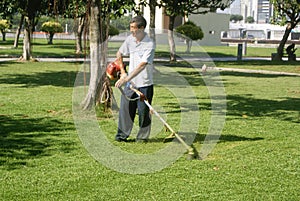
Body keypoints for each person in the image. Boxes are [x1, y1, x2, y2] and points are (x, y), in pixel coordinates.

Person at [114, 15, 155, 142]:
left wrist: (127, 78)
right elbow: (119, 53)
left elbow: (142, 65)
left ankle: (142, 138)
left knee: (143, 113)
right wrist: (122, 72)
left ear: (142, 28)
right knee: (126, 111)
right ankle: (121, 136)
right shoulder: (130, 40)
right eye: (130, 27)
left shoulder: (149, 44)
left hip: (145, 84)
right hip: (130, 84)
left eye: (134, 28)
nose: (131, 30)